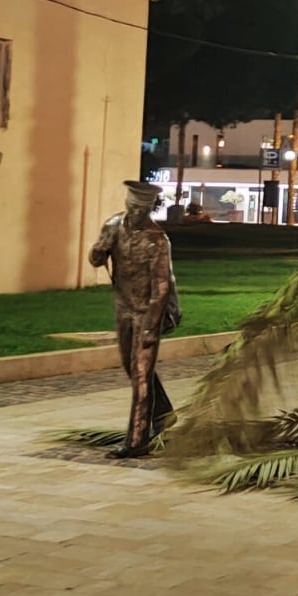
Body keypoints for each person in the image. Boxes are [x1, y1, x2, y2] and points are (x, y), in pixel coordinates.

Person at [89, 180, 180, 458]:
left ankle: (137, 440)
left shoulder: (157, 240)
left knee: (141, 376)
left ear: (150, 208)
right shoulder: (114, 225)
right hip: (124, 308)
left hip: (147, 312)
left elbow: (162, 288)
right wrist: (97, 252)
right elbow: (96, 259)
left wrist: (152, 326)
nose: (135, 213)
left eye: (141, 209)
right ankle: (163, 413)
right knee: (132, 368)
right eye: (132, 206)